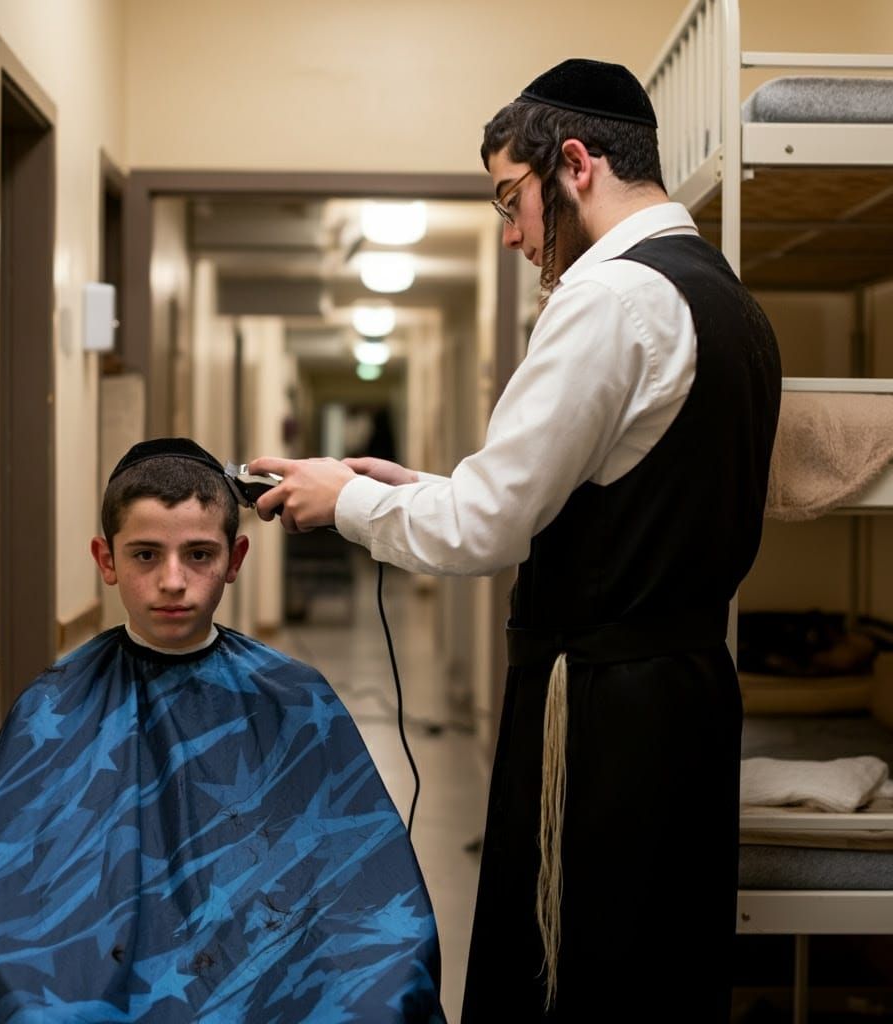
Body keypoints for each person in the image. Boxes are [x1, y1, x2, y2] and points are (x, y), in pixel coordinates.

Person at [249, 59, 782, 1022]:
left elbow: (487, 528)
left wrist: (345, 502)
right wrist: (415, 488)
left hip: (603, 713)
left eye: (511, 198)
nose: (510, 233)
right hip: (690, 695)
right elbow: (598, 491)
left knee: (575, 974)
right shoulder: (728, 302)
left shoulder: (609, 298)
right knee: (661, 973)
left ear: (575, 163)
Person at [0, 438, 444, 1023]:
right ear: (106, 561)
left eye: (198, 555)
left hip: (268, 969)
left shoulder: (296, 696)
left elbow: (367, 895)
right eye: (146, 555)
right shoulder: (51, 706)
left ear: (235, 559)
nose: (173, 581)